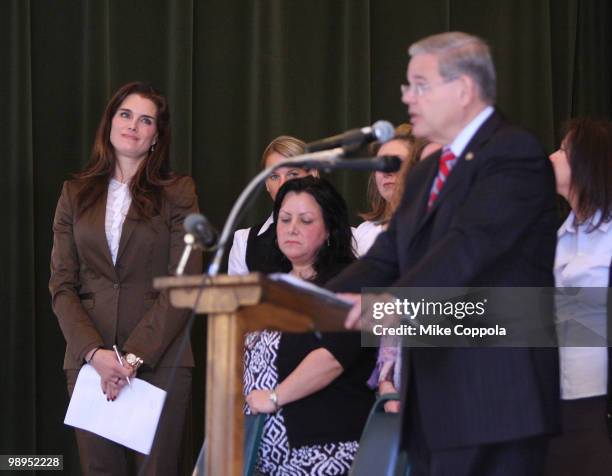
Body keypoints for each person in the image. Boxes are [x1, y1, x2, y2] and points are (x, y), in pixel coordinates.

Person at [327, 32, 560, 475]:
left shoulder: (513, 152)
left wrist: (394, 301)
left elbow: (472, 244)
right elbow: (390, 254)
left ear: (463, 90)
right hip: (435, 400)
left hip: (497, 396)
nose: (405, 97)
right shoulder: (428, 169)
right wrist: (322, 298)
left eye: (419, 84)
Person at [49, 82, 202, 476]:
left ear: (156, 137)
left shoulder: (178, 192)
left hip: (160, 360)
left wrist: (131, 358)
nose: (133, 125)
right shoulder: (73, 193)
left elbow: (184, 282)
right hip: (90, 364)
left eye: (145, 119)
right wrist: (95, 355)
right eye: (125, 114)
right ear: (110, 123)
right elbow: (62, 286)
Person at [243, 176, 375, 475]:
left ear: (329, 229)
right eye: (285, 219)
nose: (291, 228)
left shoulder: (351, 283)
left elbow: (332, 358)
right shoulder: (271, 287)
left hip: (323, 448)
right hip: (260, 449)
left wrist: (275, 397)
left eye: (305, 220)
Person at [545, 118, 612, 475]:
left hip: (598, 408)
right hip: (556, 403)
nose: (552, 157)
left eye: (563, 151)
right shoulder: (561, 234)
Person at [228, 135, 317, 275]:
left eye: (292, 174)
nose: (282, 185)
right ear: (266, 184)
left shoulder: (354, 237)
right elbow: (235, 296)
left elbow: (365, 295)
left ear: (313, 175)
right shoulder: (244, 242)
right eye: (274, 177)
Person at [354, 123, 426, 256]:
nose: (387, 171)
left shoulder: (433, 227)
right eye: (381, 163)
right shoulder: (363, 233)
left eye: (396, 162)